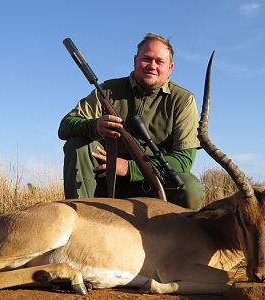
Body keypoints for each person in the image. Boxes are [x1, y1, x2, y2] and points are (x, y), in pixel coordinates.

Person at [58, 33, 204, 209]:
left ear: (170, 67)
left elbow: (183, 160)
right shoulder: (108, 90)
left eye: (159, 62)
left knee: (190, 188)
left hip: (154, 179)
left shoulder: (183, 99)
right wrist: (94, 126)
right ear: (135, 60)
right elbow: (65, 126)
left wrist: (129, 168)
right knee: (77, 143)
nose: (152, 66)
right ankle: (80, 214)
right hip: (105, 176)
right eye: (146, 59)